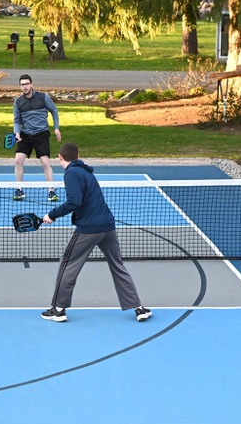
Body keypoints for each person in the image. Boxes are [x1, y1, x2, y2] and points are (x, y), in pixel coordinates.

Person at [39, 143, 150, 323]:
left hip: (89, 229)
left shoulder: (71, 173)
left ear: (60, 157)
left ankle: (58, 309)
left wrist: (52, 215)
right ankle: (139, 308)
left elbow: (74, 201)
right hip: (108, 226)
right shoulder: (86, 172)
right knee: (118, 265)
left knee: (68, 264)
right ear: (77, 155)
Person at [12, 74, 61, 202]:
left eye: (27, 84)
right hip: (26, 135)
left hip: (41, 134)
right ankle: (19, 189)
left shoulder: (43, 97)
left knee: (45, 163)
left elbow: (54, 111)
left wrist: (56, 128)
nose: (25, 86)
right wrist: (17, 132)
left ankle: (51, 191)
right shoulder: (18, 102)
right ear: (20, 86)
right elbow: (16, 120)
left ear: (32, 84)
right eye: (22, 84)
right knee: (18, 160)